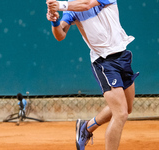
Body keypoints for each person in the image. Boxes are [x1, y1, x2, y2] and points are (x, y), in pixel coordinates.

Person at [46, 0, 139, 150]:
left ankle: (86, 127)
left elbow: (87, 4)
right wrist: (55, 22)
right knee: (120, 114)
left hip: (122, 56)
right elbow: (60, 35)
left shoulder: (75, 5)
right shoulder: (72, 7)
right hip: (103, 62)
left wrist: (61, 5)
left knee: (127, 108)